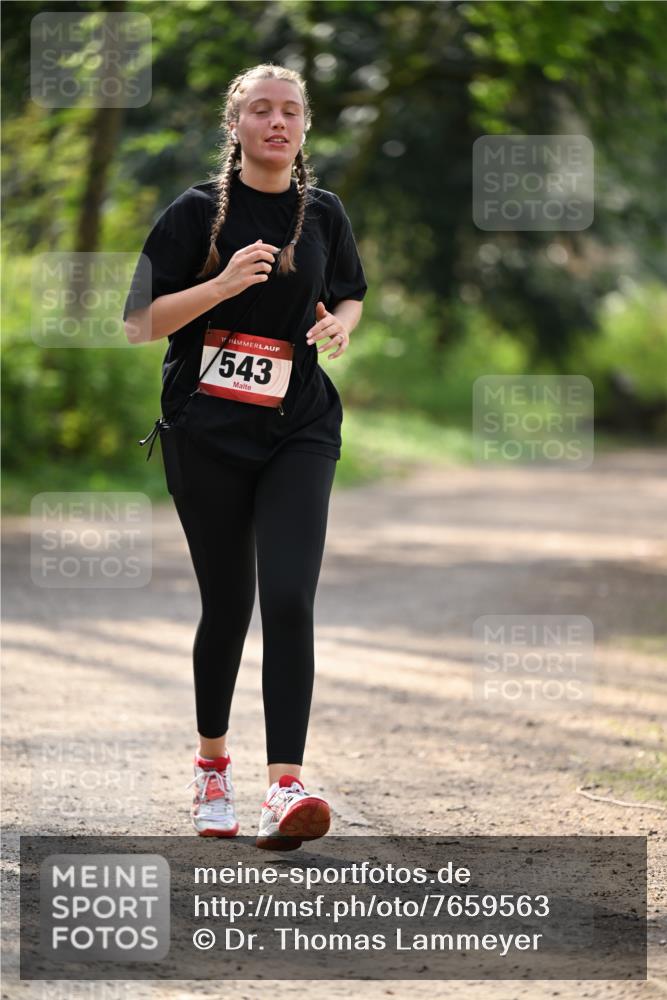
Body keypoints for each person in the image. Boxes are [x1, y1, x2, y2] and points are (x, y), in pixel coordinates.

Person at [123, 63, 367, 851]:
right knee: (228, 604)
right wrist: (221, 285)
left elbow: (351, 290)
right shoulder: (194, 213)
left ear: (304, 126)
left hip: (300, 426)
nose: (276, 122)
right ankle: (212, 768)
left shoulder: (323, 212)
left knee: (288, 597)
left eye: (290, 110)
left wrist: (341, 324)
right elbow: (138, 323)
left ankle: (284, 787)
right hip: (207, 432)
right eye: (260, 110)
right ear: (235, 125)